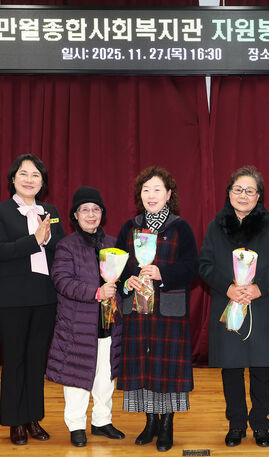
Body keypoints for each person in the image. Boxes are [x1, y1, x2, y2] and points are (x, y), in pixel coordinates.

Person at [199, 166, 269, 448]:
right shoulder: (215, 226)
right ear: (229, 193)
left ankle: (261, 425)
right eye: (238, 189)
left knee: (261, 370)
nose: (243, 195)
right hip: (228, 303)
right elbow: (205, 265)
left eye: (250, 191)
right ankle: (236, 424)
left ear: (258, 196)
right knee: (231, 369)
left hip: (261, 304)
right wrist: (228, 287)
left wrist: (259, 288)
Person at [116, 166, 198, 452]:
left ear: (168, 194)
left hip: (169, 309)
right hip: (137, 309)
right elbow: (118, 266)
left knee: (167, 368)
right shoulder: (130, 227)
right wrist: (127, 280)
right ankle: (150, 421)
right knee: (143, 364)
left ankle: (167, 425)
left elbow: (192, 267)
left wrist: (163, 273)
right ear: (140, 195)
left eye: (157, 190)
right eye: (146, 190)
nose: (151, 195)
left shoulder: (180, 227)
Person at [0, 154, 66, 445]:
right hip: (12, 299)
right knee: (15, 360)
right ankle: (15, 421)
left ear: (42, 182)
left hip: (45, 297)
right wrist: (35, 240)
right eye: (23, 173)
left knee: (36, 361)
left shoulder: (51, 211)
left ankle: (33, 418)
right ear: (13, 178)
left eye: (36, 175)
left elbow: (62, 249)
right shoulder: (0, 211)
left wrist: (49, 239)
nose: (29, 179)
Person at [45, 186, 125, 447]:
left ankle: (102, 421)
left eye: (96, 209)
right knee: (77, 377)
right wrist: (96, 292)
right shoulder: (66, 246)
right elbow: (62, 280)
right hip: (78, 324)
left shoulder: (113, 244)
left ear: (102, 213)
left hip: (108, 323)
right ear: (75, 215)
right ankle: (76, 424)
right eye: (85, 210)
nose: (91, 214)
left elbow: (121, 280)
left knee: (105, 376)